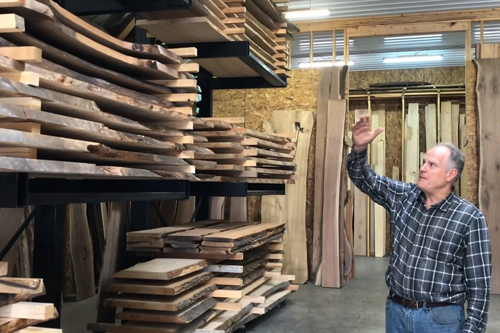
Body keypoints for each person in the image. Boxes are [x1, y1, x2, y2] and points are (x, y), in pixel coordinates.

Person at [347, 115, 492, 333]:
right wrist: (359, 149)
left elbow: (479, 285)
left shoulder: (469, 218)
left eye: (431, 165)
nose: (423, 168)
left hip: (440, 319)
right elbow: (363, 178)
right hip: (397, 311)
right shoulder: (404, 197)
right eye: (424, 162)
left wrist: (472, 329)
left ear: (450, 175)